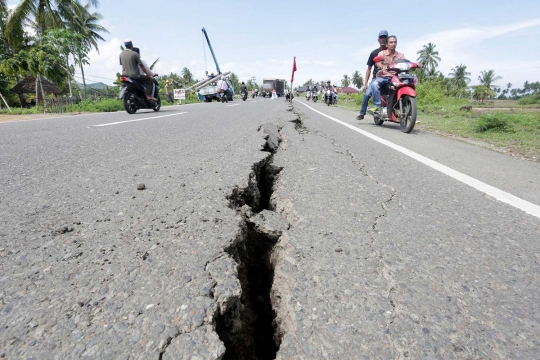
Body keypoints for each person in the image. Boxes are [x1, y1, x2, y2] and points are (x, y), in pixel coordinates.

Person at [357, 30, 388, 120]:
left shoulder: (390, 52)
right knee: (366, 95)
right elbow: (369, 69)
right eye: (381, 38)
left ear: (387, 39)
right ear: (378, 40)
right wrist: (365, 84)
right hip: (376, 78)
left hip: (388, 77)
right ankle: (362, 113)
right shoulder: (374, 53)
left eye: (384, 37)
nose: (383, 39)